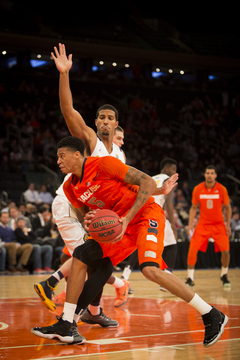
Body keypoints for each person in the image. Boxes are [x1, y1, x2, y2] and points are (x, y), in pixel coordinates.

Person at [31, 136, 228, 347]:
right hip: (118, 224)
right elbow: (85, 215)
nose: (58, 161)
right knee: (81, 254)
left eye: (62, 156)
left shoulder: (104, 164)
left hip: (145, 215)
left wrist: (128, 217)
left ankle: (211, 314)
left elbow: (147, 182)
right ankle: (67, 324)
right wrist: (88, 220)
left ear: (77, 155)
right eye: (57, 157)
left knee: (149, 270)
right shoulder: (70, 187)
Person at [33, 43, 129, 330]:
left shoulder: (119, 156)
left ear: (117, 125)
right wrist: (64, 74)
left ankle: (88, 311)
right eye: (101, 117)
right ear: (96, 123)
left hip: (91, 209)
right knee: (93, 263)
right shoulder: (92, 142)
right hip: (71, 202)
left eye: (110, 118)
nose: (104, 121)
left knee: (101, 261)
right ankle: (76, 316)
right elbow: (67, 109)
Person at [121, 157, 178, 293]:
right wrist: (174, 225)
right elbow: (169, 202)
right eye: (173, 169)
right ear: (165, 168)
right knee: (173, 245)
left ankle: (125, 276)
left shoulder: (151, 178)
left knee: (138, 245)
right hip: (154, 212)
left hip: (140, 209)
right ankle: (167, 279)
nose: (174, 173)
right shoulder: (166, 179)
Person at [186, 165, 232, 288]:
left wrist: (228, 224)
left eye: (212, 173)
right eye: (208, 173)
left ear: (215, 175)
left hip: (219, 225)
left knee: (226, 252)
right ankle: (190, 277)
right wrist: (190, 223)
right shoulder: (198, 189)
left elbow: (228, 207)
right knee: (192, 249)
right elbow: (193, 207)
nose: (210, 175)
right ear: (205, 175)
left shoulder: (221, 189)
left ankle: (224, 275)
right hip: (203, 224)